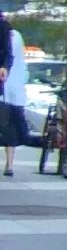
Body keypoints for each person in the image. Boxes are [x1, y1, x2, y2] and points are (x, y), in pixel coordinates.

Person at [0, 12, 22, 178]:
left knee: (7, 123)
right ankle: (9, 164)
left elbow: (9, 54)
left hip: (7, 86)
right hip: (10, 89)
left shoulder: (5, 28)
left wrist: (5, 67)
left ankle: (10, 164)